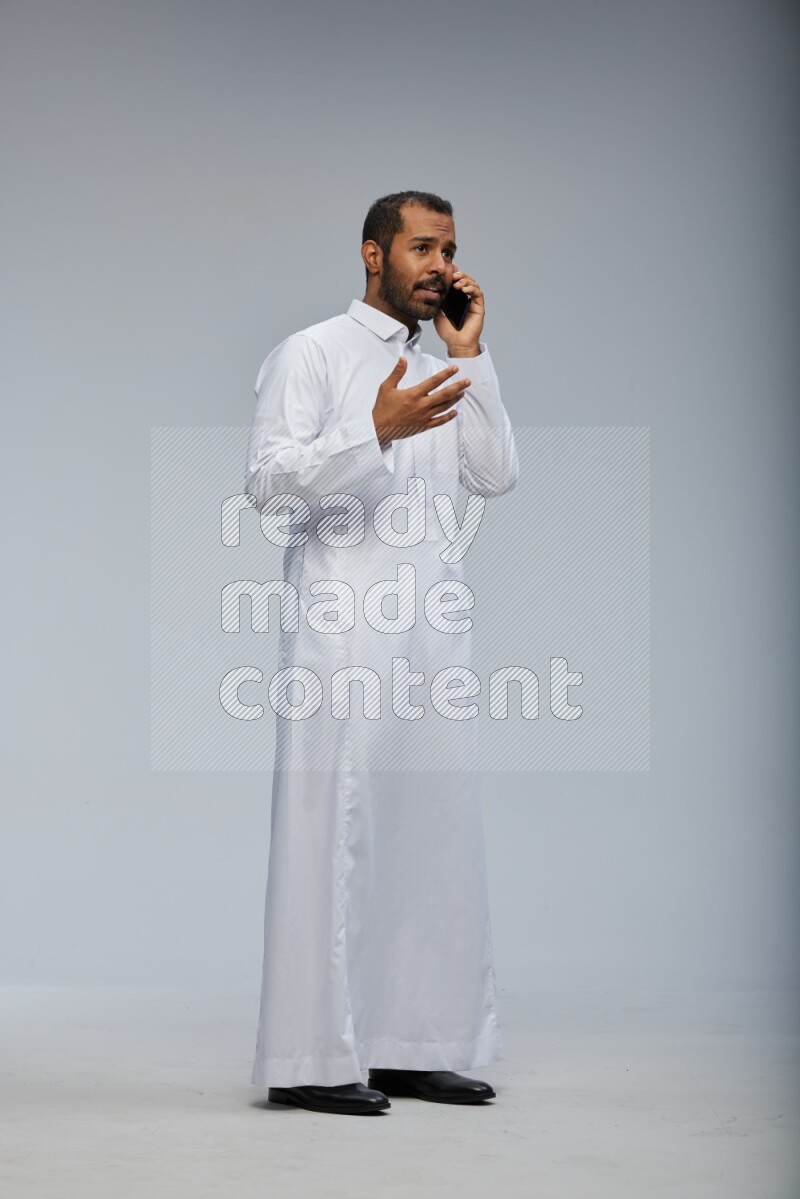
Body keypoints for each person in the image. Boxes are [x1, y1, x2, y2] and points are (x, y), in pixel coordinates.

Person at [245, 190, 519, 1115]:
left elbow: (495, 473)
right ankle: (310, 1060)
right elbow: (272, 487)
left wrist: (468, 354)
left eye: (448, 249)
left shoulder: (439, 359)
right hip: (343, 632)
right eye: (421, 247)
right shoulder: (312, 353)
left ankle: (412, 1042)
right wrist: (375, 432)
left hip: (430, 636)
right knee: (337, 836)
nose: (439, 265)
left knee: (431, 835)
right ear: (373, 254)